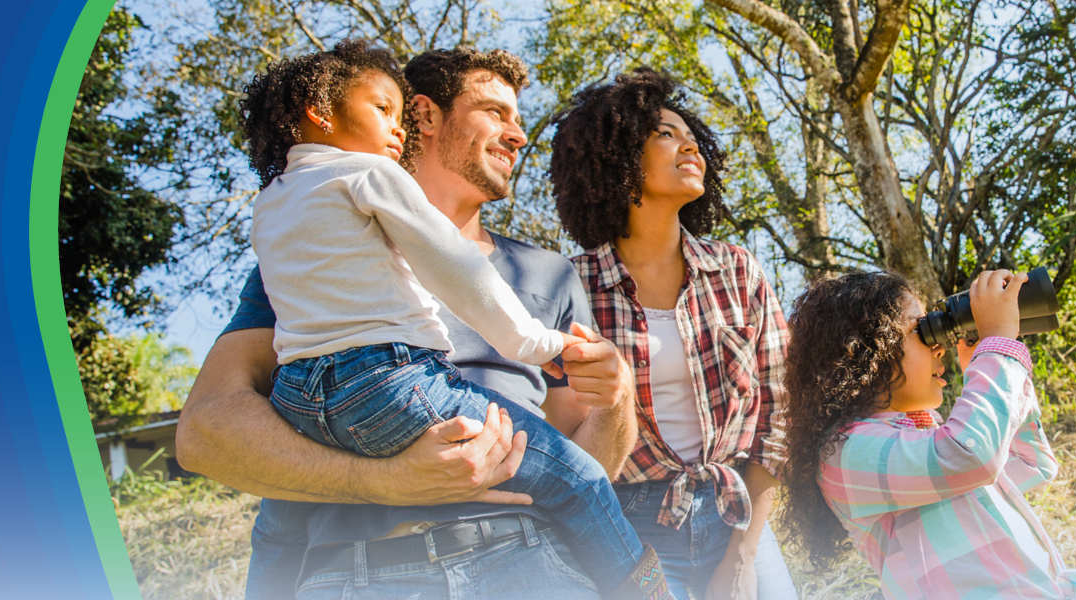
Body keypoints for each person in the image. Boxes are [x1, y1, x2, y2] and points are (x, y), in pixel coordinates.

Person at [176, 47, 640, 600]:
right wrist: (383, 483)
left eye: (517, 119)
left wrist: (619, 397)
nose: (518, 135)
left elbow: (583, 469)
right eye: (495, 112)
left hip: (529, 568)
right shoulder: (312, 258)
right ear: (421, 114)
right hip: (355, 573)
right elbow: (204, 435)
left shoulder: (550, 274)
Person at [549, 68, 796, 600]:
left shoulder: (737, 270)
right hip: (628, 527)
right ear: (614, 156)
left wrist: (743, 557)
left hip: (738, 515)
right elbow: (565, 440)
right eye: (665, 133)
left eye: (692, 135)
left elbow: (781, 412)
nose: (690, 145)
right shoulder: (570, 285)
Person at [776, 270, 1076, 599]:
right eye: (921, 331)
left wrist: (995, 358)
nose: (940, 348)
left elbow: (1032, 464)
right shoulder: (845, 454)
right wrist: (997, 345)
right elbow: (970, 456)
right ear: (867, 350)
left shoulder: (928, 436)